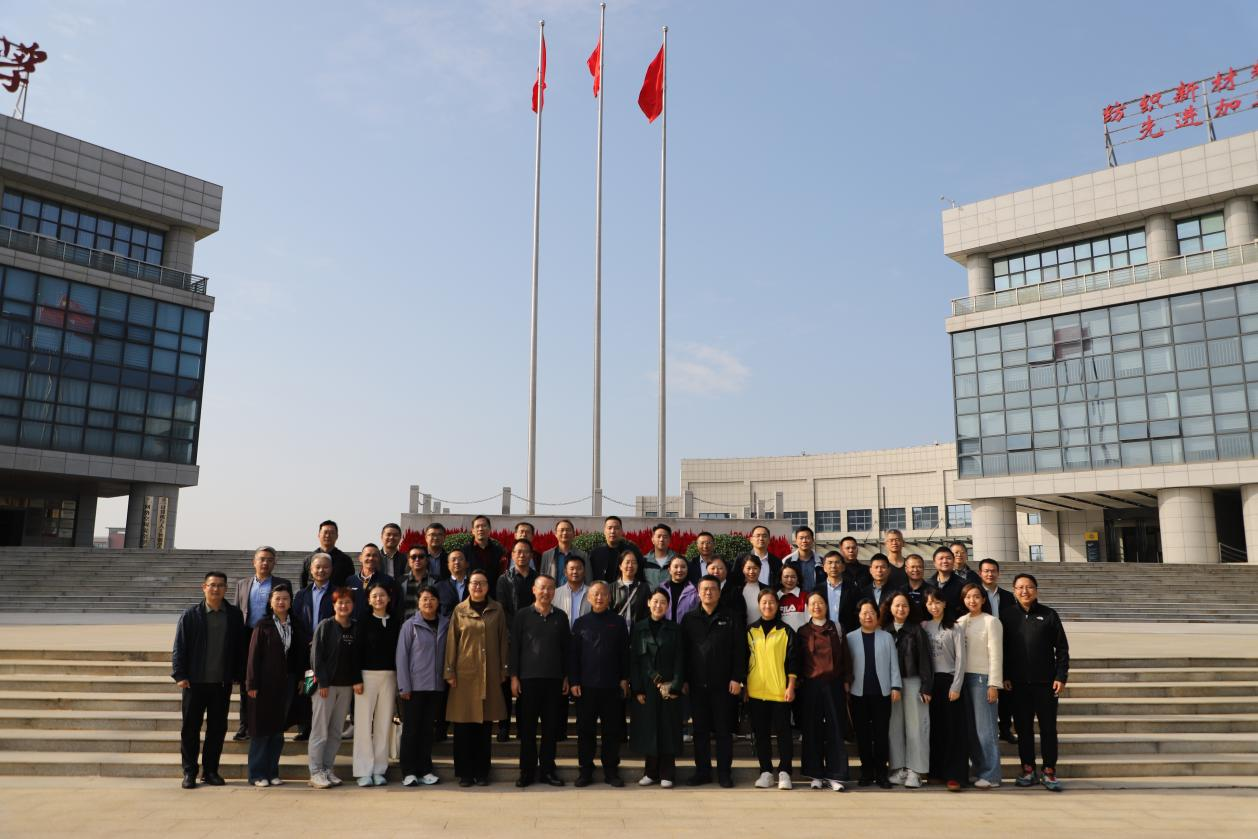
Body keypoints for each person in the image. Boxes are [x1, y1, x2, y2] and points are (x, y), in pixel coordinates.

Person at [172, 571, 244, 789]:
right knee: (190, 729)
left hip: (221, 683)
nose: (216, 589)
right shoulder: (191, 615)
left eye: (220, 585)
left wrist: (238, 673)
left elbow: (239, 647)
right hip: (194, 682)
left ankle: (211, 771)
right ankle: (189, 772)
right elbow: (179, 646)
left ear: (226, 589)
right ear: (204, 587)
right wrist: (180, 674)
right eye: (212, 585)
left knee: (217, 729)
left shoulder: (234, 615)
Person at [1003, 573, 1070, 792]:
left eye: (1029, 587)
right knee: (1023, 729)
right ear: (1014, 591)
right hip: (1018, 684)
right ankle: (1028, 769)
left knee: (1048, 728)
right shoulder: (1007, 615)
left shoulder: (1049, 615)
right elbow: (1002, 650)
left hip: (1046, 683)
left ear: (1036, 590)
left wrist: (1060, 676)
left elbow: (1062, 649)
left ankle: (1049, 770)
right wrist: (1005, 676)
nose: (1025, 591)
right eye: (1020, 587)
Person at [444, 569, 508, 787]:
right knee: (463, 727)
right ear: (468, 586)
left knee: (484, 727)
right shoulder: (460, 610)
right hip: (464, 675)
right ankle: (465, 773)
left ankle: (482, 772)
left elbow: (503, 640)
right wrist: (449, 670)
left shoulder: (497, 609)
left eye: (482, 583)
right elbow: (452, 641)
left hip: (489, 675)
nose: (478, 587)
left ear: (488, 586)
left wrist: (503, 669)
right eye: (474, 583)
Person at [681, 576, 746, 788]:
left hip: (724, 685)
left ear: (719, 592)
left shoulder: (731, 617)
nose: (708, 593)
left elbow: (740, 650)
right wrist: (684, 679)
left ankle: (724, 773)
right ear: (698, 593)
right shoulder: (689, 619)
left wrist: (737, 678)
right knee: (700, 731)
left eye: (712, 589)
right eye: (704, 589)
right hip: (697, 684)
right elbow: (684, 652)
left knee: (723, 731)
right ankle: (702, 772)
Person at [510, 575, 570, 787]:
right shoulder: (522, 615)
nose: (546, 592)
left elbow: (566, 649)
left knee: (550, 729)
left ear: (555, 592)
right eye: (542, 588)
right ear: (534, 590)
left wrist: (566, 676)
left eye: (550, 588)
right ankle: (526, 771)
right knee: (527, 730)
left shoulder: (561, 617)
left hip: (554, 681)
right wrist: (514, 677)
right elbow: (514, 648)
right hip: (528, 680)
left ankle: (547, 770)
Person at [569, 581, 630, 787]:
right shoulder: (580, 623)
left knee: (611, 731)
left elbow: (624, 653)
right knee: (585, 731)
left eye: (603, 594)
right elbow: (574, 655)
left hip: (611, 686)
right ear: (589, 598)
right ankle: (585, 770)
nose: (599, 598)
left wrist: (624, 678)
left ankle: (611, 770)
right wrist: (574, 680)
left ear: (609, 597)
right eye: (595, 594)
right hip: (586, 687)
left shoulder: (618, 622)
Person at [245, 583, 305, 787]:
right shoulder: (263, 625)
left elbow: (301, 654)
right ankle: (257, 774)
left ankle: (272, 772)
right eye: (277, 598)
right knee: (261, 729)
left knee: (278, 730)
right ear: (270, 602)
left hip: (287, 682)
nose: (281, 602)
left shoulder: (295, 624)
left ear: (291, 602)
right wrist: (251, 683)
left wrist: (301, 678)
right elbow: (253, 656)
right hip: (264, 684)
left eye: (285, 598)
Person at [232, 547, 291, 741]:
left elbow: (288, 610)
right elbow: (237, 612)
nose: (265, 563)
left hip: (272, 635)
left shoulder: (283, 584)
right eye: (262, 559)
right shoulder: (242, 584)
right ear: (254, 561)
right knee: (247, 682)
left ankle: (270, 724)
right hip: (247, 635)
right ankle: (245, 725)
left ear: (275, 563)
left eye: (270, 560)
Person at [308, 587, 362, 789]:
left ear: (353, 605)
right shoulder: (326, 625)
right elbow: (316, 655)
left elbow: (356, 658)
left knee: (336, 731)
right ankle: (315, 772)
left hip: (346, 687)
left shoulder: (355, 627)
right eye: (340, 602)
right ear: (334, 605)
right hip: (326, 686)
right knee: (320, 730)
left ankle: (327, 768)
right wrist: (323, 682)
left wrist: (356, 680)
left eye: (348, 602)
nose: (344, 606)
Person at [630, 589, 685, 788]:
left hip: (668, 687)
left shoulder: (675, 629)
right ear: (648, 603)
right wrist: (637, 689)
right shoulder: (638, 628)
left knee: (668, 729)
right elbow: (634, 660)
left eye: (663, 602)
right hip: (647, 687)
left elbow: (680, 659)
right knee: (650, 728)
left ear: (668, 606)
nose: (658, 606)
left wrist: (676, 686)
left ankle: (668, 773)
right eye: (655, 601)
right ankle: (650, 772)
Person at [797, 592, 851, 791]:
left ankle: (836, 774)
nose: (817, 606)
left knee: (835, 728)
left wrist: (847, 680)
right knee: (812, 729)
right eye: (812, 603)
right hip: (810, 685)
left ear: (826, 606)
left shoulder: (836, 628)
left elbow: (846, 656)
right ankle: (815, 774)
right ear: (807, 607)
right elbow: (799, 659)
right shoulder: (803, 631)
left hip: (834, 683)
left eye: (820, 603)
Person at [746, 589, 799, 790]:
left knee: (784, 734)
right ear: (759, 605)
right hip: (756, 691)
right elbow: (745, 660)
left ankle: (785, 771)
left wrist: (791, 686)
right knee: (761, 734)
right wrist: (745, 688)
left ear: (777, 606)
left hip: (780, 692)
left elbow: (793, 662)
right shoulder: (750, 631)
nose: (767, 606)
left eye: (771, 602)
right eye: (764, 602)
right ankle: (766, 772)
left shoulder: (786, 631)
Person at [396, 585, 448, 786]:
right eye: (424, 599)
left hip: (436, 686)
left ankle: (425, 769)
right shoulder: (410, 625)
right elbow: (402, 657)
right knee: (411, 730)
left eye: (432, 598)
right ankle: (408, 771)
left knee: (427, 731)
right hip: (414, 687)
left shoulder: (445, 624)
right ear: (418, 602)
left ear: (438, 602)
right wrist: (404, 686)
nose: (428, 602)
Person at [846, 599, 901, 788]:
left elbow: (894, 664)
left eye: (871, 612)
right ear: (859, 616)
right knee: (862, 735)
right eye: (864, 613)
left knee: (881, 734)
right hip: (858, 693)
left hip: (882, 693)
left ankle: (881, 773)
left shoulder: (886, 637)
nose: (868, 616)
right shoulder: (850, 637)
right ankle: (866, 772)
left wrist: (896, 686)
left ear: (877, 615)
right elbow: (847, 665)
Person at [882, 592, 932, 789]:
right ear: (890, 608)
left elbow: (926, 660)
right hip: (890, 684)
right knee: (894, 727)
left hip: (913, 682)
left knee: (916, 727)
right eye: (897, 605)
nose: (901, 609)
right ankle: (898, 768)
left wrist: (926, 686)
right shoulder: (884, 631)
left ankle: (915, 771)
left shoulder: (916, 630)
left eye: (904, 605)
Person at [958, 583, 1004, 789]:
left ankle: (992, 775)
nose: (972, 600)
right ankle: (978, 770)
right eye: (968, 597)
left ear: (984, 600)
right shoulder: (961, 622)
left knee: (986, 730)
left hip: (982, 679)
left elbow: (996, 654)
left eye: (976, 596)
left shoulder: (991, 621)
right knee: (971, 730)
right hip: (963, 679)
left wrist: (993, 683)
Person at [353, 583, 399, 786]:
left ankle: (380, 769)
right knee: (363, 724)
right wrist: (356, 678)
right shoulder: (362, 621)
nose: (379, 599)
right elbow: (355, 651)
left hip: (389, 676)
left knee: (383, 724)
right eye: (374, 596)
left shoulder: (396, 621)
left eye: (382, 595)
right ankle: (363, 770)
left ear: (389, 598)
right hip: (366, 676)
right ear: (368, 600)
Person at [923, 586, 967, 792]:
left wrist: (956, 685)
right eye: (930, 603)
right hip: (931, 684)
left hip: (950, 682)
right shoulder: (924, 626)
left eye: (937, 602)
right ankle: (936, 772)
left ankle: (954, 775)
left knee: (953, 731)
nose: (934, 606)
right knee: (935, 729)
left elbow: (961, 659)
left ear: (944, 604)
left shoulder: (955, 627)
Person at [292, 553, 334, 741]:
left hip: (329, 649)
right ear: (311, 570)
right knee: (308, 686)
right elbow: (295, 621)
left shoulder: (336, 593)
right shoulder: (302, 594)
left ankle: (325, 726)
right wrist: (308, 640)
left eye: (325, 567)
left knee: (326, 688)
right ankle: (306, 727)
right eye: (317, 567)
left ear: (331, 569)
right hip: (307, 649)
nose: (321, 570)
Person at [978, 558, 1017, 743]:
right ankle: (988, 730)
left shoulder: (1008, 597)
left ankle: (1005, 729)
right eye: (986, 571)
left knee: (1006, 692)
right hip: (982, 648)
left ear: (998, 573)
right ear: (980, 573)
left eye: (993, 571)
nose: (990, 574)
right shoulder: (976, 595)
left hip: (1004, 645)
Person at [348, 543, 403, 625]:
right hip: (353, 627)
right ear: (360, 558)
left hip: (379, 627)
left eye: (375, 556)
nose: (371, 558)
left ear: (379, 559)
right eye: (368, 555)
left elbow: (395, 607)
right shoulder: (350, 581)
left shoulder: (388, 581)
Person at [301, 520, 354, 589]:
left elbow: (350, 584)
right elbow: (303, 584)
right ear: (319, 535)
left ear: (337, 536)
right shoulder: (309, 559)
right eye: (325, 532)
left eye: (332, 533)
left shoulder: (345, 560)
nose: (328, 535)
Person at [588, 515, 642, 582]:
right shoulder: (596, 553)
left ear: (621, 531)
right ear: (604, 531)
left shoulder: (632, 551)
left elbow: (640, 574)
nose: (612, 531)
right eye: (609, 528)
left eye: (616, 528)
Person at [820, 551, 858, 635]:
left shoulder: (853, 589)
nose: (833, 566)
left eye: (837, 562)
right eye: (830, 563)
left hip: (848, 634)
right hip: (824, 635)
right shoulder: (818, 590)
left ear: (843, 567)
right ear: (824, 568)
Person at [612, 549, 649, 628]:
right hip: (617, 631)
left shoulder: (644, 588)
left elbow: (647, 613)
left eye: (634, 562)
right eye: (627, 562)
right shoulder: (611, 588)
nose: (630, 565)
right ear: (620, 566)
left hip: (638, 631)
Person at [465, 515, 504, 589]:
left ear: (489, 529)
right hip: (472, 591)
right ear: (473, 531)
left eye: (484, 526)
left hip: (493, 592)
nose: (480, 529)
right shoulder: (465, 551)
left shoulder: (498, 551)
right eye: (477, 526)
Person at [553, 555, 591, 629]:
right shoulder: (555, 593)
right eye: (571, 569)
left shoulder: (592, 593)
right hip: (562, 634)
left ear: (584, 572)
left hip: (586, 634)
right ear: (565, 572)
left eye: (579, 569)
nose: (575, 572)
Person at [738, 525, 782, 589]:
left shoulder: (776, 561)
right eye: (758, 536)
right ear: (751, 540)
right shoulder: (741, 559)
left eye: (764, 536)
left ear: (769, 540)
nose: (761, 539)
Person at [785, 526, 826, 593]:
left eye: (807, 538)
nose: (804, 541)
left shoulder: (822, 560)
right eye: (801, 538)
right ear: (796, 541)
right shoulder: (788, 561)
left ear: (813, 540)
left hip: (817, 597)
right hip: (796, 598)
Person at [930, 545, 967, 618]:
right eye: (941, 558)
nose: (945, 561)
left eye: (948, 558)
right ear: (934, 563)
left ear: (953, 561)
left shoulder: (963, 584)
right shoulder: (928, 584)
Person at [659, 555, 698, 623]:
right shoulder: (662, 588)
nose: (679, 570)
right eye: (676, 567)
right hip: (665, 628)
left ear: (687, 569)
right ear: (669, 570)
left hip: (687, 628)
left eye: (683, 567)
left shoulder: (694, 590)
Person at [400, 544, 434, 619]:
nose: (417, 559)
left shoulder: (436, 582)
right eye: (413, 557)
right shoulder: (400, 582)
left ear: (426, 560)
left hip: (429, 624)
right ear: (408, 561)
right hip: (406, 624)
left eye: (421, 556)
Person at [736, 554, 770, 626]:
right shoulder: (736, 590)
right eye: (748, 568)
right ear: (743, 569)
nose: (751, 572)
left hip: (762, 630)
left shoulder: (767, 590)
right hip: (742, 630)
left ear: (760, 569)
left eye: (755, 568)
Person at [642, 523, 679, 589]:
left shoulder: (677, 560)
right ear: (652, 540)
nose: (661, 539)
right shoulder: (644, 561)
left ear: (669, 540)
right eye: (658, 536)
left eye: (665, 537)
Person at [436, 550, 470, 617]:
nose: (457, 562)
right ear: (448, 565)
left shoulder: (475, 585)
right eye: (453, 560)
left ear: (467, 564)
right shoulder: (439, 587)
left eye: (460, 559)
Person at [776, 564, 808, 631]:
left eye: (793, 577)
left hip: (800, 636)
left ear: (798, 579)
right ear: (780, 579)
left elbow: (810, 621)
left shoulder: (805, 596)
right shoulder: (775, 597)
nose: (789, 580)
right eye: (786, 576)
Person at [903, 554, 930, 623]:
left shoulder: (932, 591)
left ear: (923, 569)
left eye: (919, 567)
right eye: (912, 567)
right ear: (906, 569)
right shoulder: (900, 591)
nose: (915, 570)